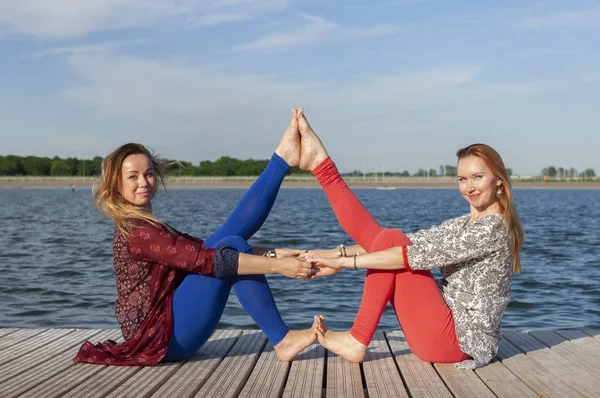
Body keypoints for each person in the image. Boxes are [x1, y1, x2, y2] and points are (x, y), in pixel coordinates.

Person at [74, 109, 318, 366]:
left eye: (147, 174)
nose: (143, 182)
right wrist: (279, 267)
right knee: (229, 246)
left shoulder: (146, 226)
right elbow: (209, 259)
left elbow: (200, 250)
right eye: (132, 177)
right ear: (117, 185)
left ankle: (281, 161)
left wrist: (275, 254)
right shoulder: (136, 231)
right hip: (160, 340)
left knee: (226, 243)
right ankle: (282, 339)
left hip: (170, 329)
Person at [298, 109, 524, 369]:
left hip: (457, 343)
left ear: (498, 181)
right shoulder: (463, 224)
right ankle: (322, 167)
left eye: (477, 177)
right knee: (392, 239)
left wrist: (343, 265)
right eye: (462, 179)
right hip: (441, 333)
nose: (469, 187)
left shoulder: (493, 229)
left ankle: (357, 339)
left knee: (393, 241)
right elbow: (402, 242)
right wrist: (328, 255)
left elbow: (403, 252)